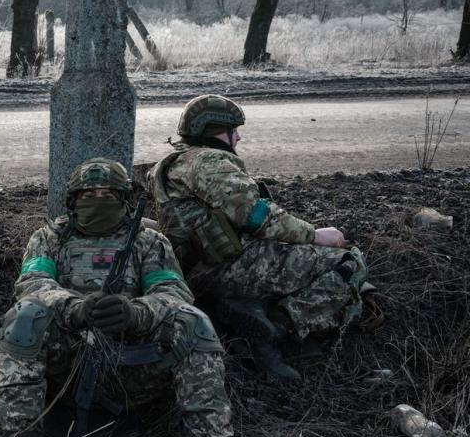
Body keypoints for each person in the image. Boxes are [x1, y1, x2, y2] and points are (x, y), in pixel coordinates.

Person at [0, 158, 239, 437]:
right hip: (68, 363)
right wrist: (73, 308)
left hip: (132, 364)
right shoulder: (49, 238)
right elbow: (32, 286)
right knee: (23, 319)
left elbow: (172, 291)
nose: (98, 199)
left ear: (124, 199)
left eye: (108, 194)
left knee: (195, 323)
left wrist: (136, 312)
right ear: (73, 200)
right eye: (89, 194)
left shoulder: (149, 241)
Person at [151, 95, 370, 382]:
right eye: (234, 130)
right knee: (348, 262)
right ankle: (277, 331)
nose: (238, 137)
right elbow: (255, 216)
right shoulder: (209, 162)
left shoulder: (173, 164)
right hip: (229, 267)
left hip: (201, 268)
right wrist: (314, 235)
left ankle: (247, 309)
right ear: (215, 131)